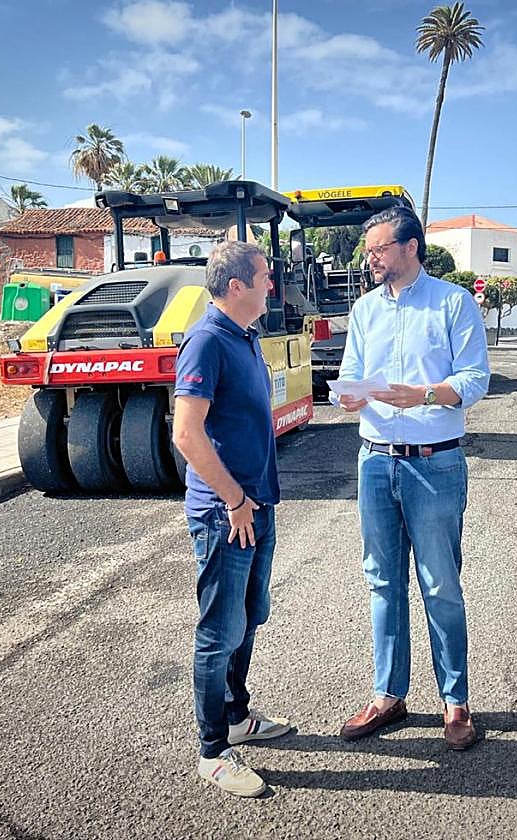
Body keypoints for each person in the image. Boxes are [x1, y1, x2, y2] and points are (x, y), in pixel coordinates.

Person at [335, 206, 490, 750]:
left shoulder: (453, 302)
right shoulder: (363, 310)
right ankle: (389, 696)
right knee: (382, 581)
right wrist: (351, 394)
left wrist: (422, 394)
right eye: (369, 250)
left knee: (441, 585)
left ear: (410, 247)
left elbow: (475, 378)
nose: (370, 258)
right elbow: (351, 373)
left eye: (378, 248)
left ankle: (456, 703)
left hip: (435, 462)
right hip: (375, 459)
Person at [172, 240, 291, 797]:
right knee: (219, 631)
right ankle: (213, 751)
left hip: (256, 506)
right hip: (227, 514)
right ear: (237, 285)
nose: (273, 283)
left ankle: (237, 717)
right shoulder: (206, 341)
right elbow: (186, 433)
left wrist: (254, 500)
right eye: (265, 276)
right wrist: (235, 501)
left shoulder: (246, 338)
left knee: (249, 619)